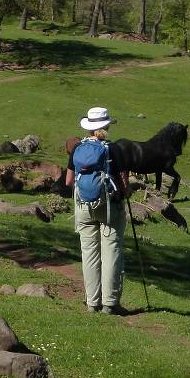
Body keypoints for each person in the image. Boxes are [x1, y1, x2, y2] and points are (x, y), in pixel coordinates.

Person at [67, 106, 130, 314]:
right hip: (109, 207)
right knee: (111, 252)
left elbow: (68, 181)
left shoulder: (77, 148)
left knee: (89, 254)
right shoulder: (114, 149)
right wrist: (124, 193)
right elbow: (123, 184)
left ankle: (92, 303)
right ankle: (110, 304)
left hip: (83, 206)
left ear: (89, 128)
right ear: (106, 125)